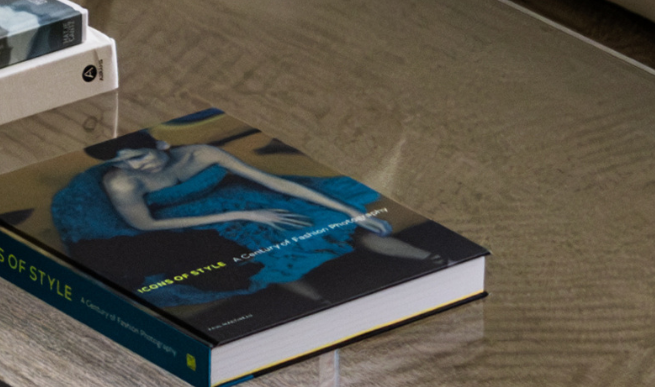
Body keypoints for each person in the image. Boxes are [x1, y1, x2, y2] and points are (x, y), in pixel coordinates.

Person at [51, 131, 438, 311]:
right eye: (123, 161)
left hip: (243, 199)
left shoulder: (202, 153)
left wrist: (352, 211)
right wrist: (242, 214)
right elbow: (145, 227)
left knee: (344, 228)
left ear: (161, 145)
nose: (136, 165)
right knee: (268, 258)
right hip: (197, 222)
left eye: (139, 155)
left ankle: (434, 262)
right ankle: (321, 302)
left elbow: (272, 182)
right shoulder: (121, 182)